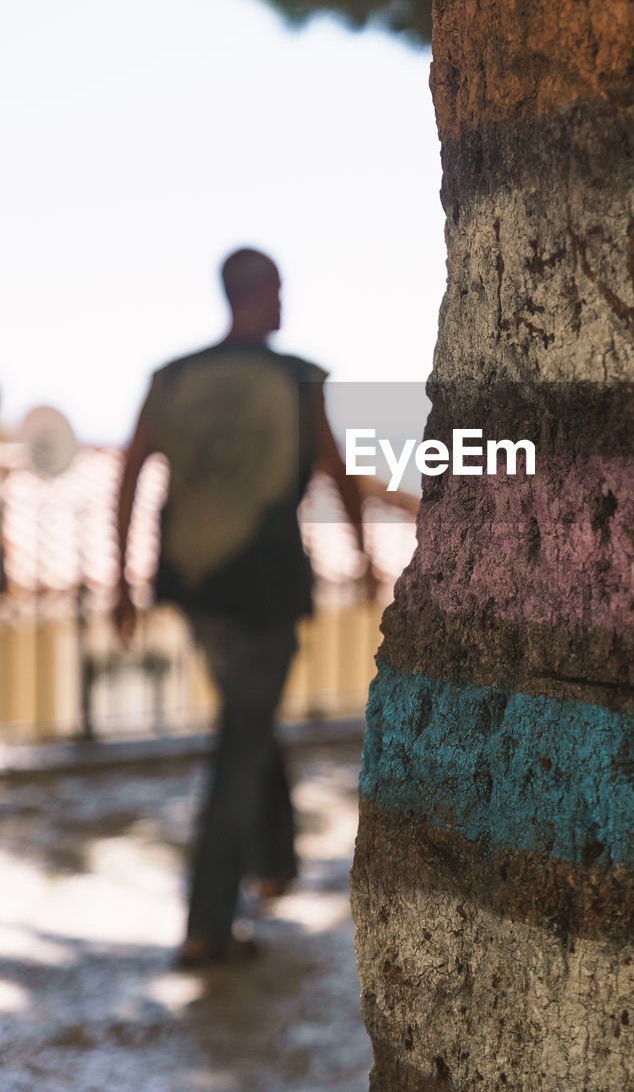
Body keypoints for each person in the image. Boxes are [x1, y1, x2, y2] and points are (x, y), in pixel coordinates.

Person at [113, 247, 379, 966]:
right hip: (262, 583)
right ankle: (207, 923)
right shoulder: (295, 378)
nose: (285, 302)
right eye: (279, 290)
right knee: (242, 737)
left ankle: (277, 864)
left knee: (249, 713)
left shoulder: (175, 378)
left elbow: (132, 470)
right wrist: (361, 559)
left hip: (195, 582)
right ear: (257, 294)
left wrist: (123, 580)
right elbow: (335, 469)